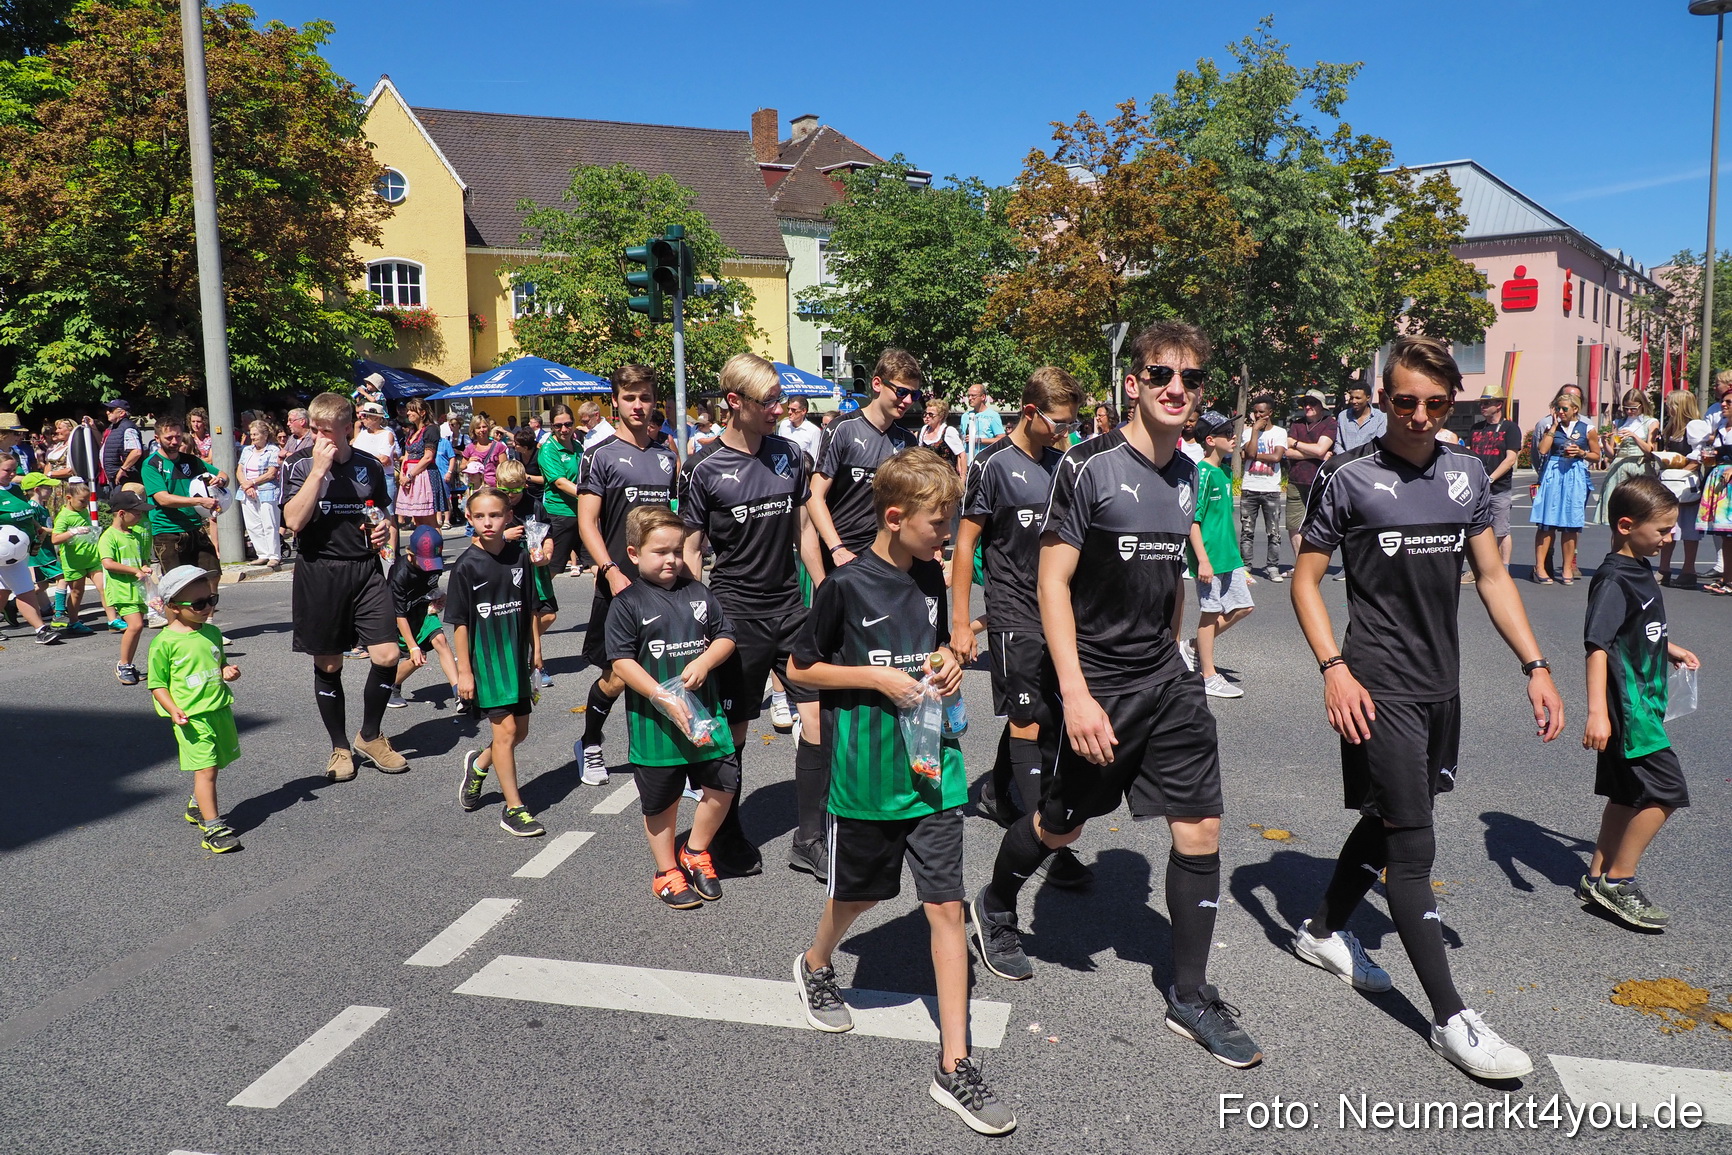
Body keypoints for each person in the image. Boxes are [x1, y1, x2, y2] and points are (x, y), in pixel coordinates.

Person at [973, 320, 1261, 1069]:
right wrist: (1074, 694)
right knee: (1061, 824)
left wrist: (1178, 655)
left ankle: (1191, 994)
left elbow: (1171, 578)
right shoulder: (1086, 465)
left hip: (1166, 681)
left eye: (1191, 379)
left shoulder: (1192, 475)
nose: (1176, 388)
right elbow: (1052, 583)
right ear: (1134, 383)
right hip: (1096, 685)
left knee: (1200, 826)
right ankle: (996, 903)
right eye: (1162, 374)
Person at [1290, 334, 1563, 1080]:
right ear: (1383, 399)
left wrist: (1536, 665)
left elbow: (1493, 577)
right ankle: (1451, 1019)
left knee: (1389, 817)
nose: (1418, 415)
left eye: (1435, 403)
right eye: (1404, 401)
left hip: (1442, 684)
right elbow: (1305, 581)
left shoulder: (1467, 472)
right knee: (1413, 847)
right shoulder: (1346, 475)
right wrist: (1334, 669)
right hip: (1377, 686)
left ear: (1452, 405)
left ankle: (1321, 930)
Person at [789, 448, 1015, 1136]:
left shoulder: (929, 575)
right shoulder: (845, 585)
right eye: (938, 524)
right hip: (866, 778)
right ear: (894, 517)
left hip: (934, 771)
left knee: (945, 908)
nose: (948, 536)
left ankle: (955, 1064)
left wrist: (947, 663)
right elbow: (801, 668)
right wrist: (874, 677)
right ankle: (816, 962)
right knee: (859, 895)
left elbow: (939, 646)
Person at [682, 352, 824, 878]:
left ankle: (810, 839)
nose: (779, 409)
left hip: (790, 608)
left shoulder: (791, 454)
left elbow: (804, 530)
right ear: (735, 402)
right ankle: (728, 831)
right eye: (769, 402)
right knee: (736, 730)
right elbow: (692, 549)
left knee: (818, 720)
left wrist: (825, 590)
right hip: (735, 615)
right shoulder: (702, 468)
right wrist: (695, 618)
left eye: (780, 400)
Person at [951, 366, 1089, 882]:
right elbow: (965, 544)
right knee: (1031, 721)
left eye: (1072, 423)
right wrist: (961, 621)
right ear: (1030, 412)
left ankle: (995, 790)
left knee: (1042, 713)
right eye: (1059, 423)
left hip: (1060, 609)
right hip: (1012, 609)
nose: (1066, 432)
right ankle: (1045, 844)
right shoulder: (991, 465)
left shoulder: (1065, 465)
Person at [1579, 477, 1699, 930]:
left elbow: (1633, 629)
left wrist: (1669, 648)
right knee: (1666, 790)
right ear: (1626, 526)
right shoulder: (1614, 579)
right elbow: (1597, 646)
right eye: (1663, 530)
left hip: (1642, 701)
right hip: (1629, 710)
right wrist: (1597, 712)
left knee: (1626, 793)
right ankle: (1620, 881)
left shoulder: (1640, 568)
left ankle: (1596, 878)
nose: (1671, 537)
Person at [605, 506, 739, 907]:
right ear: (633, 554)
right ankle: (666, 872)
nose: (672, 560)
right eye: (660, 552)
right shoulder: (627, 603)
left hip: (705, 717)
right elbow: (621, 661)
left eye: (677, 551)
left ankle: (695, 851)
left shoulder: (698, 592)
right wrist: (660, 695)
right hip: (655, 727)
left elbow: (726, 636)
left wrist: (706, 661)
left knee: (724, 783)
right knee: (662, 800)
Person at [281, 392, 408, 782]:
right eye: (314, 430)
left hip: (366, 569)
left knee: (387, 655)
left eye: (327, 431)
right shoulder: (299, 464)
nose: (319, 438)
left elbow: (382, 514)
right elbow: (293, 521)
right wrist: (319, 472)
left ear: (347, 428)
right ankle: (339, 747)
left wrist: (384, 530)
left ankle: (369, 736)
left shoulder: (368, 465)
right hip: (319, 570)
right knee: (329, 663)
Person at [574, 367, 677, 787]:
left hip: (663, 586)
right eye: (630, 397)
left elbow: (676, 523)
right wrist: (611, 571)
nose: (638, 405)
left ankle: (671, 761)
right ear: (614, 401)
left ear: (655, 402)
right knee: (616, 677)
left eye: (645, 397)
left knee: (666, 668)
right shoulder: (598, 454)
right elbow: (587, 523)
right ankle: (590, 743)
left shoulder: (667, 457)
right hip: (618, 585)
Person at [452, 487, 547, 837]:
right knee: (505, 732)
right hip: (487, 663)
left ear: (508, 516)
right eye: (480, 516)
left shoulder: (519, 557)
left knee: (519, 732)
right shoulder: (466, 566)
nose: (488, 522)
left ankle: (479, 764)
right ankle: (514, 809)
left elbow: (532, 608)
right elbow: (460, 623)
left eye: (494, 515)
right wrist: (464, 672)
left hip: (516, 658)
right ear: (469, 519)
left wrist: (537, 650)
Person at [148, 564, 244, 854]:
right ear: (174, 607)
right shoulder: (164, 643)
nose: (208, 608)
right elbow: (157, 684)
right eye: (199, 604)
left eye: (212, 599)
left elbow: (219, 662)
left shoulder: (212, 633)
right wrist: (172, 708)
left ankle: (196, 805)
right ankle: (213, 827)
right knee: (207, 770)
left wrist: (227, 670)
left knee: (216, 764)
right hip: (191, 718)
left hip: (219, 709)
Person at [809, 348, 921, 573]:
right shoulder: (843, 429)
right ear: (877, 384)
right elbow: (814, 496)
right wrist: (836, 548)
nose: (908, 400)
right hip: (845, 554)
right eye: (901, 392)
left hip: (888, 554)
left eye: (914, 395)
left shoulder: (907, 440)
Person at [1184, 411, 1253, 699]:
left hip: (1229, 556)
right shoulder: (1201, 473)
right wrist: (1202, 560)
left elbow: (1224, 522)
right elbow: (1193, 521)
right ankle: (1208, 675)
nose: (1233, 437)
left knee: (1243, 607)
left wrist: (1240, 563)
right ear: (1210, 440)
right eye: (1226, 433)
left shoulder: (1225, 472)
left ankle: (1193, 646)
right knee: (1211, 613)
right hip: (1209, 558)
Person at [140, 416, 227, 591]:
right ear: (157, 438)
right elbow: (163, 498)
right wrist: (200, 501)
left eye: (178, 437)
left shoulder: (191, 460)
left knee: (213, 574)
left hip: (194, 527)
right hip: (167, 531)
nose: (175, 442)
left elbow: (223, 474)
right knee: (178, 586)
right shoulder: (151, 465)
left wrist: (221, 481)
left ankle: (208, 608)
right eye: (169, 438)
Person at [493, 458, 557, 689]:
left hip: (535, 568)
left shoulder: (535, 505)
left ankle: (521, 648)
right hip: (507, 569)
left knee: (548, 615)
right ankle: (535, 664)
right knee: (528, 616)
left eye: (515, 490)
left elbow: (547, 534)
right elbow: (476, 539)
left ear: (524, 485)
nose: (510, 495)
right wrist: (503, 536)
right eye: (505, 490)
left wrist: (546, 555)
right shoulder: (493, 505)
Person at [386, 526, 460, 710]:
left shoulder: (434, 564)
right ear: (410, 554)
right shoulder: (400, 574)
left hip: (423, 611)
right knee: (418, 657)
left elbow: (431, 587)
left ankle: (459, 693)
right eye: (424, 562)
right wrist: (413, 647)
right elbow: (399, 614)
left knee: (441, 640)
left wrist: (439, 597)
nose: (429, 567)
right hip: (401, 618)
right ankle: (390, 686)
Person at [1531, 389, 1598, 584]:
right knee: (1547, 523)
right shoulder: (1552, 427)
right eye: (1558, 408)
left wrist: (1581, 453)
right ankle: (1540, 567)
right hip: (1553, 473)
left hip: (1574, 473)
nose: (1560, 412)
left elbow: (1596, 455)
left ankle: (1567, 567)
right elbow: (1543, 449)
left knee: (1571, 524)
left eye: (1564, 409)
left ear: (1575, 409)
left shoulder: (1587, 428)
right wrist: (1553, 426)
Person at [1463, 389, 1522, 576]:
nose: (1482, 406)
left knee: (1501, 530)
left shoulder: (1510, 428)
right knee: (1478, 529)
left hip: (1498, 488)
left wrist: (1491, 478)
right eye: (1481, 403)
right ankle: (1479, 568)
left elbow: (1510, 459)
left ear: (1499, 405)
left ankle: (1503, 569)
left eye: (1487, 403)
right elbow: (1469, 454)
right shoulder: (1476, 428)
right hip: (1477, 489)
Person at [1657, 389, 1712, 587]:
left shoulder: (1694, 426)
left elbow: (1698, 458)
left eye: (1671, 404)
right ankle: (1664, 569)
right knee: (1668, 527)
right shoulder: (1671, 427)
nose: (1668, 407)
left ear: (1680, 406)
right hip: (1670, 483)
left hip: (1686, 484)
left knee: (1688, 529)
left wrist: (1679, 473)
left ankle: (1689, 571)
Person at [99, 490, 152, 680]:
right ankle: (123, 665)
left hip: (137, 590)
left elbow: (140, 560)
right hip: (121, 590)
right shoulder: (109, 537)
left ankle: (129, 663)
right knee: (135, 625)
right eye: (136, 513)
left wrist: (144, 567)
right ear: (122, 513)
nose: (140, 517)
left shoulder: (134, 535)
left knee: (137, 627)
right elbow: (108, 563)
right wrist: (134, 571)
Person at [1284, 390, 1337, 564]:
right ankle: (1301, 565)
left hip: (1320, 481)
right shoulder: (1296, 424)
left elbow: (1321, 449)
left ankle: (1315, 566)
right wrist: (1316, 454)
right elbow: (1287, 452)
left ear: (1321, 406)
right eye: (1305, 403)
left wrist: (1296, 444)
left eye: (1312, 403)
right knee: (1294, 524)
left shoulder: (1330, 424)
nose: (1307, 407)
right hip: (1296, 481)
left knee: (1319, 525)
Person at [1237, 394, 1286, 582]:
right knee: (1247, 531)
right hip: (1250, 487)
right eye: (1255, 412)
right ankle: (1246, 566)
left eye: (1262, 412)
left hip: (1271, 488)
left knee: (1273, 532)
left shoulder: (1280, 432)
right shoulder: (1249, 432)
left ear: (1270, 412)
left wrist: (1252, 455)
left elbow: (1276, 457)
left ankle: (1272, 567)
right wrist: (1255, 431)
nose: (1258, 415)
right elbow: (1248, 453)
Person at [1597, 388, 1660, 526]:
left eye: (1633, 408)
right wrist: (1604, 442)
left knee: (1639, 510)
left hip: (1639, 465)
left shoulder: (1650, 422)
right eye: (1626, 408)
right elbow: (1612, 454)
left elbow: (1650, 451)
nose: (1629, 412)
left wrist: (1634, 436)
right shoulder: (1618, 423)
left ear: (1642, 405)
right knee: (1618, 511)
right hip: (1619, 466)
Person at [537, 403, 584, 580]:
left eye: (568, 424)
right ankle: (535, 598)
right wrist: (588, 496)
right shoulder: (548, 449)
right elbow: (560, 483)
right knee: (552, 568)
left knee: (598, 564)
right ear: (551, 426)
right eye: (558, 425)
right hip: (560, 515)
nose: (564, 429)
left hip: (582, 513)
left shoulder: (577, 446)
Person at [49, 481, 100, 634]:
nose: (86, 504)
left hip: (91, 557)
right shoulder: (64, 516)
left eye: (87, 501)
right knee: (77, 592)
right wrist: (73, 532)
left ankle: (113, 619)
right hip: (74, 561)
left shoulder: (83, 510)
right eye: (82, 501)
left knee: (104, 587)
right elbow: (55, 539)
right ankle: (73, 621)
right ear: (69, 498)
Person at [237, 420, 282, 571]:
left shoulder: (273, 450)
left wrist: (253, 482)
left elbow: (271, 473)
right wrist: (245, 484)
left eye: (256, 434)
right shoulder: (247, 450)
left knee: (269, 523)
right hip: (247, 490)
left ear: (265, 435)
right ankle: (262, 553)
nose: (253, 437)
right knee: (253, 524)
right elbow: (239, 469)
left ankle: (274, 555)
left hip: (267, 490)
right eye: (251, 434)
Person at [394, 400, 438, 528]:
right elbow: (407, 454)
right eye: (408, 410)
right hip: (410, 475)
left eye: (412, 410)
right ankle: (421, 541)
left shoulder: (431, 430)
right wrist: (402, 475)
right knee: (417, 519)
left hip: (424, 475)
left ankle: (434, 542)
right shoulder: (412, 431)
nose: (408, 413)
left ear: (422, 412)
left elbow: (428, 457)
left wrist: (410, 475)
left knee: (429, 520)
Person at [100, 399, 146, 493]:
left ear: (122, 413)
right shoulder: (115, 427)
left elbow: (136, 452)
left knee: (124, 502)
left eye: (111, 410)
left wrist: (122, 469)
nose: (107, 412)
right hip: (116, 478)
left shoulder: (128, 428)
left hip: (125, 479)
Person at [959, 381, 1004, 474]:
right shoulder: (965, 416)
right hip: (967, 464)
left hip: (984, 464)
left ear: (983, 397)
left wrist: (979, 440)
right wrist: (959, 463)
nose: (970, 398)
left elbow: (1001, 439)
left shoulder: (993, 416)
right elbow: (961, 442)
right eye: (968, 396)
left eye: (973, 396)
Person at [916, 398, 965, 477]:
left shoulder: (948, 431)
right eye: (925, 414)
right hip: (927, 476)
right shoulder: (924, 430)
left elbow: (962, 455)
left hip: (946, 476)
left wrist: (963, 478)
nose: (927, 416)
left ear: (941, 416)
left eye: (931, 414)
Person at [1335, 383, 1386, 454]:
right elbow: (1337, 444)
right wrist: (1346, 458)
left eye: (1358, 398)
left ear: (1368, 398)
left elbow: (1380, 445)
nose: (1354, 401)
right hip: (1346, 459)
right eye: (1351, 398)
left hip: (1369, 459)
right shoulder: (1343, 416)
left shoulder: (1380, 417)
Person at [775, 394, 824, 465]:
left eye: (793, 410)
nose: (789, 412)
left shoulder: (814, 431)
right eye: (788, 409)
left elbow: (814, 457)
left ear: (803, 411)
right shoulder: (784, 425)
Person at [462, 413, 506, 489]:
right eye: (478, 428)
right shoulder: (470, 448)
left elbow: (504, 469)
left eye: (484, 427)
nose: (482, 430)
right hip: (476, 488)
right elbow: (461, 467)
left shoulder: (498, 446)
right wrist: (468, 462)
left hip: (494, 488)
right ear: (473, 430)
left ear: (488, 428)